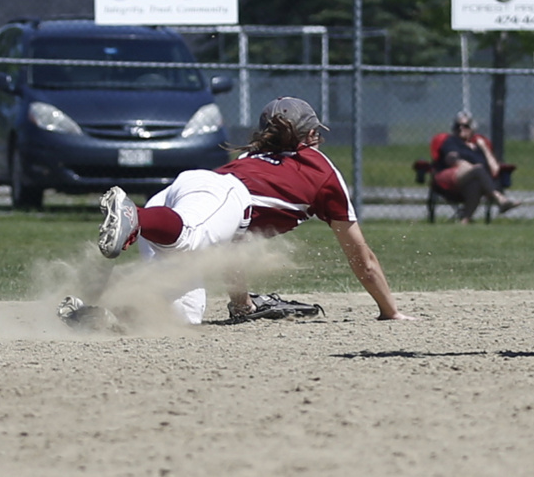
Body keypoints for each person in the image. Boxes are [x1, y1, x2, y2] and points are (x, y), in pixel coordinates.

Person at [95, 96, 413, 324]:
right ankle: (133, 216)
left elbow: (234, 246)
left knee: (180, 315)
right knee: (188, 237)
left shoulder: (252, 160)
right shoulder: (322, 170)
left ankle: (102, 314)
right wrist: (390, 310)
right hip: (215, 197)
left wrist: (242, 304)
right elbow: (362, 257)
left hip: (182, 198)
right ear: (312, 134)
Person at [432, 110, 519, 224]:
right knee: (478, 170)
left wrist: (484, 147)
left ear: (473, 128)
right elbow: (451, 159)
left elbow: (495, 169)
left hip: (474, 181)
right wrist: (470, 168)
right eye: (458, 126)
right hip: (449, 177)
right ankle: (499, 199)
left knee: (476, 183)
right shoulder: (451, 141)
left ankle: (465, 221)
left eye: (466, 126)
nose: (461, 129)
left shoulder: (478, 147)